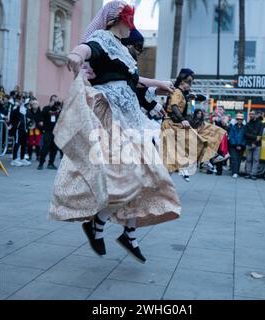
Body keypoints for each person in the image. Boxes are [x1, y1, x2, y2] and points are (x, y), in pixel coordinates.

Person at [49, 1, 180, 263]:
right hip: (111, 119)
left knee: (146, 177)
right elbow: (88, 48)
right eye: (128, 17)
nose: (131, 23)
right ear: (117, 19)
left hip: (133, 120)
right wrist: (75, 55)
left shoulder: (123, 51)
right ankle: (98, 225)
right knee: (125, 178)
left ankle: (127, 234)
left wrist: (159, 84)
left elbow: (133, 81)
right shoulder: (103, 39)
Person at [161, 68, 207, 182]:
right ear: (182, 81)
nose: (190, 84)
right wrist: (182, 120)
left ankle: (184, 167)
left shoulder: (185, 95)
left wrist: (193, 96)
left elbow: (202, 98)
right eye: (189, 81)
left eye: (191, 82)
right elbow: (174, 106)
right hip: (170, 124)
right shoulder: (177, 92)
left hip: (175, 124)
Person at [38, 95, 61, 170]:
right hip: (48, 131)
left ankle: (51, 163)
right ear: (50, 101)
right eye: (54, 101)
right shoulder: (46, 108)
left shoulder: (58, 108)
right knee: (45, 147)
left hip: (56, 131)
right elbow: (41, 116)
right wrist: (49, 106)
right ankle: (41, 163)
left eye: (56, 101)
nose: (55, 102)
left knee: (54, 148)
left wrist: (59, 110)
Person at [10, 95, 31, 167]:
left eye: (23, 100)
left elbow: (26, 117)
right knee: (17, 143)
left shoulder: (24, 108)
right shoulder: (15, 107)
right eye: (21, 100)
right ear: (18, 100)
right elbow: (12, 117)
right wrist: (16, 125)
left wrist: (28, 120)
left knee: (24, 144)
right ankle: (14, 159)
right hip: (18, 129)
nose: (22, 101)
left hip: (25, 129)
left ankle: (22, 158)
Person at [244, 110, 263, 180]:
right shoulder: (247, 124)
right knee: (248, 159)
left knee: (256, 160)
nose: (251, 115)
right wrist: (255, 137)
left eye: (252, 114)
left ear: (255, 115)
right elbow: (245, 134)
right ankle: (248, 173)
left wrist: (254, 143)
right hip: (249, 144)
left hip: (257, 145)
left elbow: (260, 135)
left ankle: (253, 174)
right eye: (250, 114)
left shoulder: (260, 124)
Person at [228, 113, 246, 178]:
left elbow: (245, 137)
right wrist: (236, 145)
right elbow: (231, 136)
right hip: (233, 146)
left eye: (241, 119)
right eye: (238, 119)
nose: (239, 120)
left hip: (241, 146)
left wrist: (241, 145)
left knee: (239, 159)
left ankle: (237, 172)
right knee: (234, 159)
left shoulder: (245, 128)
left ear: (242, 120)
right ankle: (234, 172)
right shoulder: (233, 127)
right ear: (236, 120)